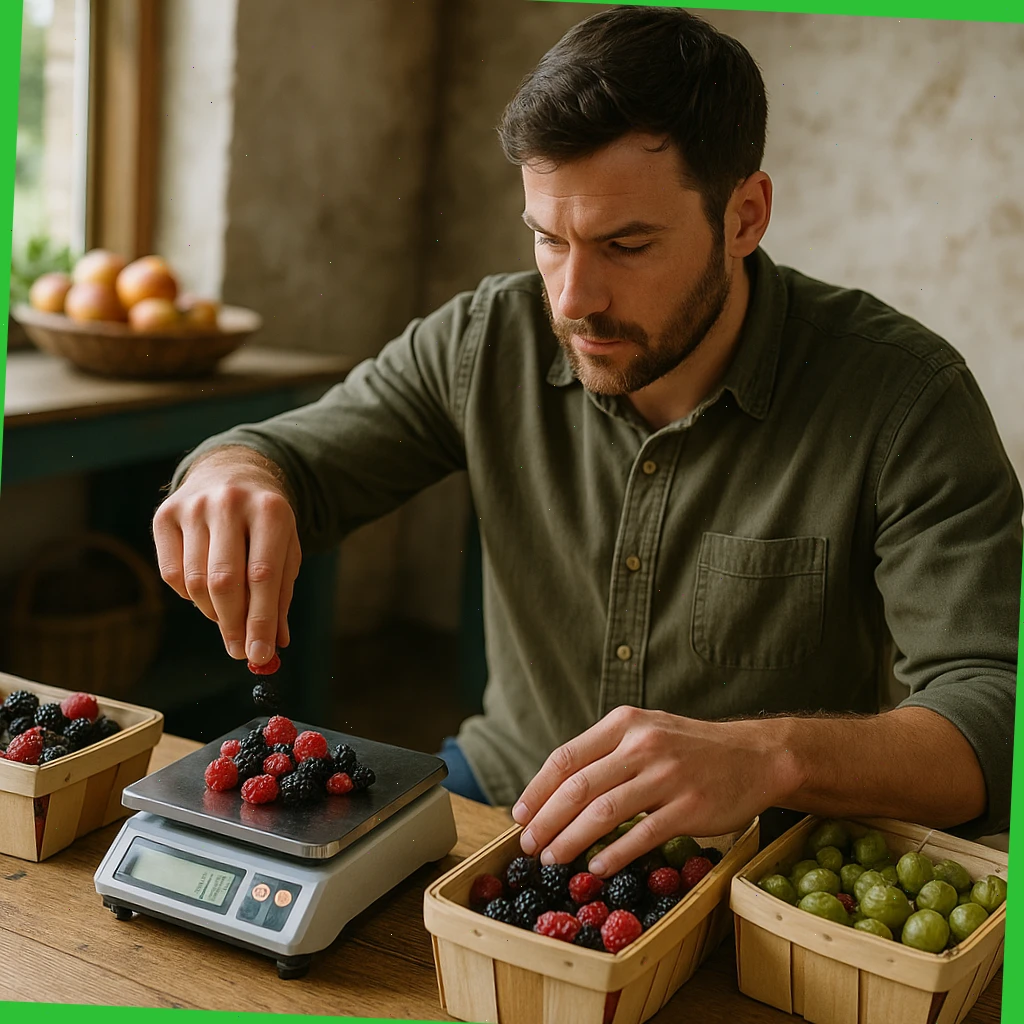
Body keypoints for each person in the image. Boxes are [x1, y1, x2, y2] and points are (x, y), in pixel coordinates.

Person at [153, 6, 1021, 875]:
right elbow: (288, 457)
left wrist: (768, 756)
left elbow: (996, 709)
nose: (572, 298)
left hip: (765, 867)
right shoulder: (488, 338)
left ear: (746, 216)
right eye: (548, 238)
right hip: (503, 799)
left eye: (627, 243)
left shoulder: (908, 398)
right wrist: (233, 471)